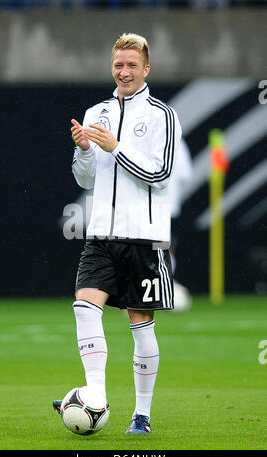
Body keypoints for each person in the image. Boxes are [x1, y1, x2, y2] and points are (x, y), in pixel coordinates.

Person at [53, 33, 182, 433]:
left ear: (146, 69)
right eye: (118, 64)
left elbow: (161, 175)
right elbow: (85, 177)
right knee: (84, 307)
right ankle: (96, 397)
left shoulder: (163, 115)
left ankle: (141, 414)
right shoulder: (97, 111)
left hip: (142, 238)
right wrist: (86, 151)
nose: (123, 71)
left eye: (131, 65)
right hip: (99, 236)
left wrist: (115, 146)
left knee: (140, 324)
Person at [168, 137, 193, 311]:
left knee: (149, 248)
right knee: (163, 247)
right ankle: (163, 286)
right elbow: (185, 175)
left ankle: (160, 287)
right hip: (166, 206)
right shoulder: (177, 140)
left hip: (147, 208)